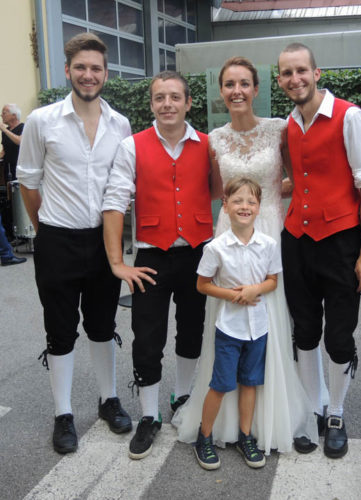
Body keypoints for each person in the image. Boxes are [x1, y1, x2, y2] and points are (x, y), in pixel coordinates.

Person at [173, 56, 318, 455]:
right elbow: (214, 190)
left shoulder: (279, 130)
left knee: (269, 322)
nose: (236, 90)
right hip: (228, 235)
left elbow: (296, 179)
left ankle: (269, 419)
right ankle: (220, 419)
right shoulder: (214, 140)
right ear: (220, 92)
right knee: (227, 323)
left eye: (244, 83)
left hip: (269, 229)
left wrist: (267, 200)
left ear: (256, 89)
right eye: (229, 84)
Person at [17, 33, 132, 455]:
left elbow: (121, 188)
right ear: (67, 71)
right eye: (81, 68)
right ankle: (63, 414)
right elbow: (29, 182)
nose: (88, 75)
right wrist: (45, 230)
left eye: (96, 68)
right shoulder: (41, 121)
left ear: (106, 74)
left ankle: (109, 400)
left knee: (103, 327)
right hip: (57, 240)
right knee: (60, 332)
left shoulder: (120, 124)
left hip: (104, 242)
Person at [103, 70, 216, 460]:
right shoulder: (132, 146)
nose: (167, 104)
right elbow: (115, 201)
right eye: (159, 98)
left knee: (192, 330)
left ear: (188, 102)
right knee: (147, 336)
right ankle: (149, 415)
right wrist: (118, 261)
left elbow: (220, 190)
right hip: (151, 256)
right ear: (151, 104)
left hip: (197, 252)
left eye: (174, 97)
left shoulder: (207, 144)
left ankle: (183, 396)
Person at [277, 43, 361, 458]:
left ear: (316, 73)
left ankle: (335, 411)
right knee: (304, 331)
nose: (294, 79)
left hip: (340, 241)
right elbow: (296, 179)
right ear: (281, 80)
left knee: (338, 335)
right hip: (296, 241)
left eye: (301, 71)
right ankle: (310, 409)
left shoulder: (350, 117)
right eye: (286, 73)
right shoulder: (289, 122)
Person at [193, 177, 281, 470]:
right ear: (226, 207)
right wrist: (232, 294)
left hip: (259, 327)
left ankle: (246, 437)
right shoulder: (216, 248)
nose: (244, 206)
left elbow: (273, 281)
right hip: (229, 328)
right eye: (238, 201)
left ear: (258, 208)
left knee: (250, 382)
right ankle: (203, 436)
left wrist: (256, 289)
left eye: (251, 202)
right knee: (221, 383)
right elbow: (202, 285)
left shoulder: (268, 245)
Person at [1, 103, 24, 182]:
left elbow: (20, 141)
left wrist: (4, 129)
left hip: (21, 167)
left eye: (4, 113)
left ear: (14, 115)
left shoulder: (23, 127)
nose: (1, 115)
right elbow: (4, 151)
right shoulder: (5, 132)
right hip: (8, 168)